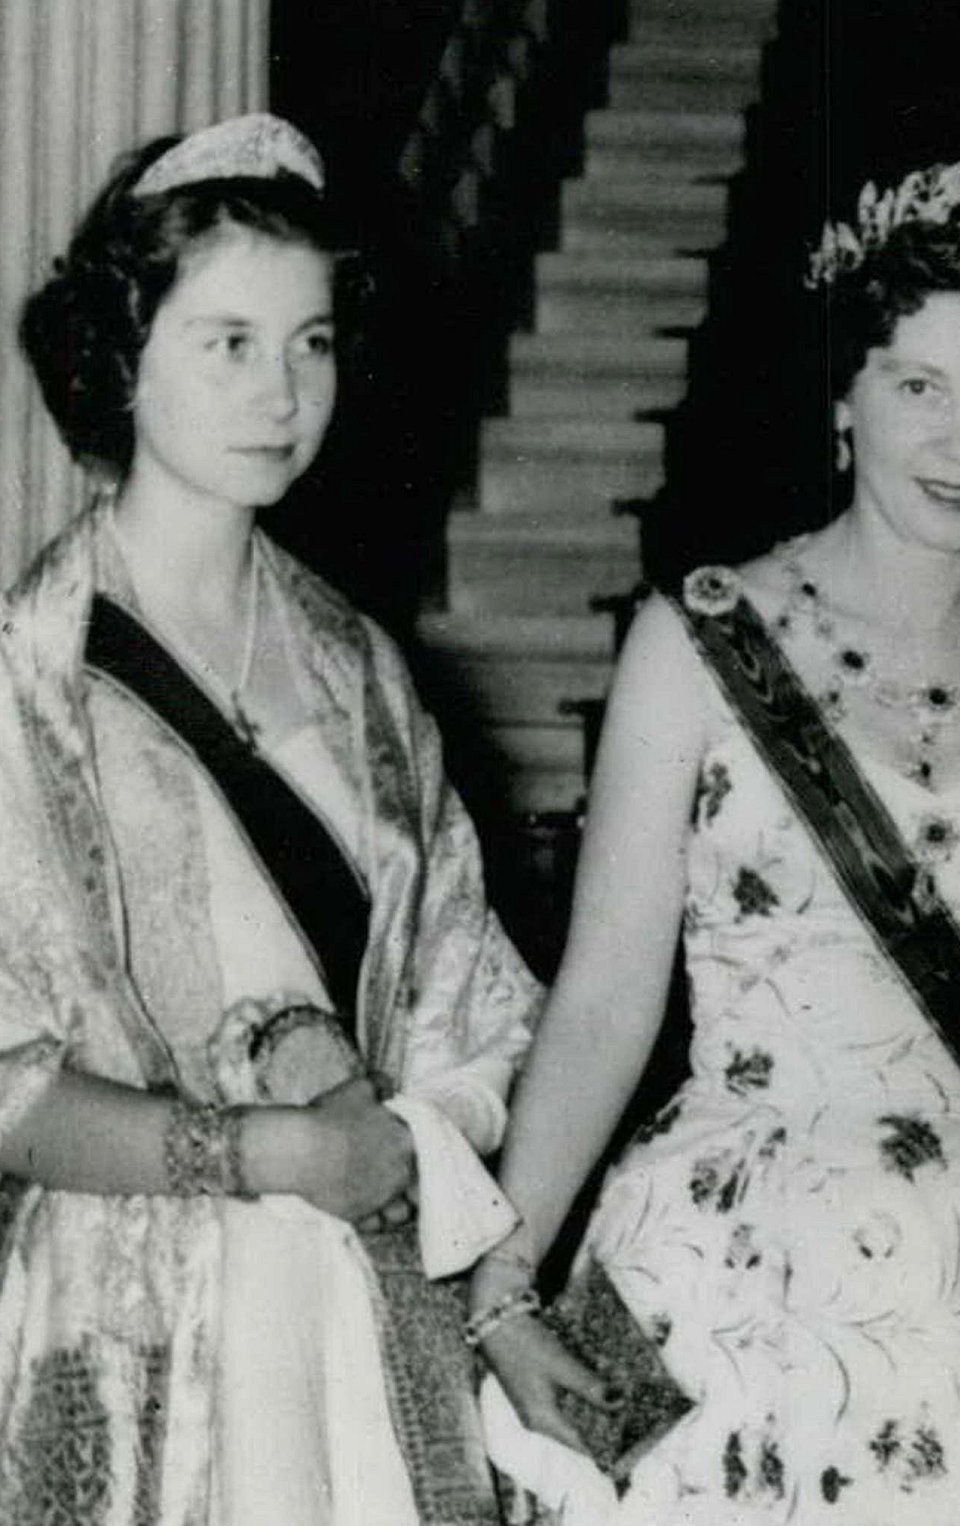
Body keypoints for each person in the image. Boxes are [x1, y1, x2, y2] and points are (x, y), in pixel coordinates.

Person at [469, 161, 960, 1524]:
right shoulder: (699, 640)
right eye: (919, 385)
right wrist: (502, 1274)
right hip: (731, 1258)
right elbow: (609, 1000)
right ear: (843, 397)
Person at [0, 113, 541, 1525]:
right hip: (131, 1322)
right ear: (125, 352)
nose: (281, 389)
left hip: (353, 1316)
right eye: (226, 341)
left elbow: (467, 999)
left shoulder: (359, 670)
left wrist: (391, 1129)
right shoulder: (26, 681)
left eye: (310, 343)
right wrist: (250, 1149)